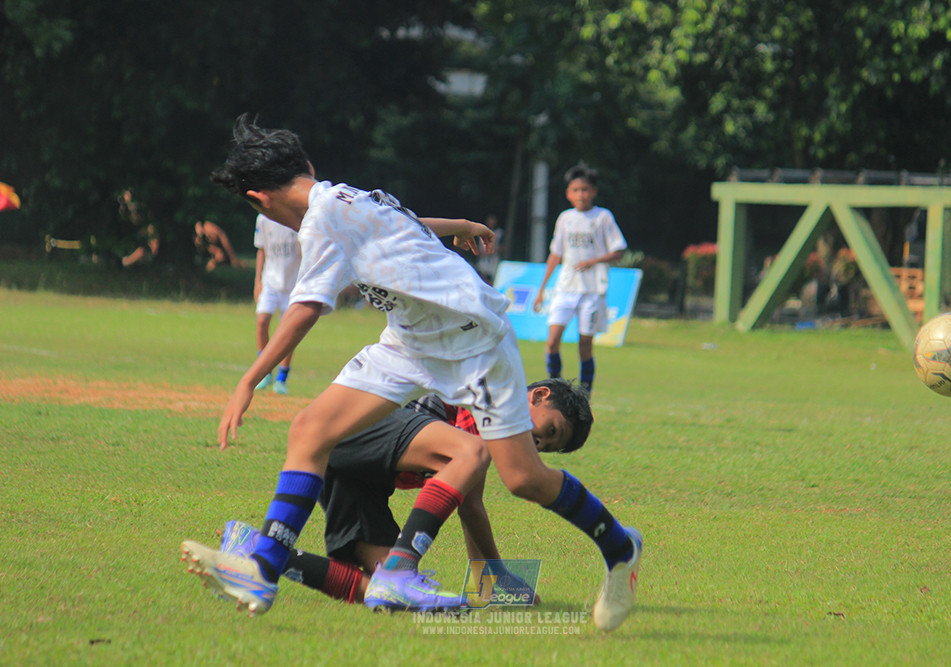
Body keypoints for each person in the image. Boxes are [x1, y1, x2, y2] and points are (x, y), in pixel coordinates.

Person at [179, 115, 641, 632]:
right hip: (408, 341)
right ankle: (263, 572)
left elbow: (306, 306)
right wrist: (460, 227)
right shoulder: (346, 196)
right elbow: (411, 225)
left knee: (523, 478)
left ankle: (621, 547)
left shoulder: (321, 218)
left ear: (259, 200)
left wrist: (249, 380)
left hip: (473, 340)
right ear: (306, 168)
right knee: (310, 430)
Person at [210, 379, 588, 607]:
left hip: (354, 472)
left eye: (548, 448)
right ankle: (402, 566)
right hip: (355, 428)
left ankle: (255, 549)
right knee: (471, 454)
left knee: (381, 593)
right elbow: (471, 506)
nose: (539, 444)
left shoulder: (488, 441)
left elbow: (471, 505)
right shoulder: (492, 398)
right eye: (550, 431)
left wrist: (488, 582)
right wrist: (497, 578)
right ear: (537, 395)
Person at [532, 163, 627, 396]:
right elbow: (556, 253)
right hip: (565, 288)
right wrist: (542, 288)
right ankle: (553, 391)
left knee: (585, 346)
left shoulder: (603, 217)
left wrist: (594, 261)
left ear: (593, 191)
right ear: (568, 194)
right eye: (576, 190)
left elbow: (619, 250)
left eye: (585, 189)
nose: (580, 194)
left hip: (593, 291)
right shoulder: (565, 219)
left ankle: (585, 396)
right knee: (552, 341)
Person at [253, 214, 301, 395]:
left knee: (288, 330)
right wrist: (258, 280)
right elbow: (261, 250)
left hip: (292, 284)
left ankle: (282, 377)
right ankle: (264, 371)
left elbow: (305, 252)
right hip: (270, 282)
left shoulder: (296, 218)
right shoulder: (263, 218)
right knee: (262, 321)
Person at [118, 189, 160, 267]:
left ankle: (127, 262)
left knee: (141, 250)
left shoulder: (149, 228)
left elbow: (153, 247)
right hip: (141, 247)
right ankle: (127, 262)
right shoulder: (132, 227)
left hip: (147, 251)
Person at [474, 214, 504, 285]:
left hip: (494, 260)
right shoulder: (480, 231)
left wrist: (492, 251)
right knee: (481, 277)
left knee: (494, 279)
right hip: (483, 260)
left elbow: (503, 246)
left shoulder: (499, 233)